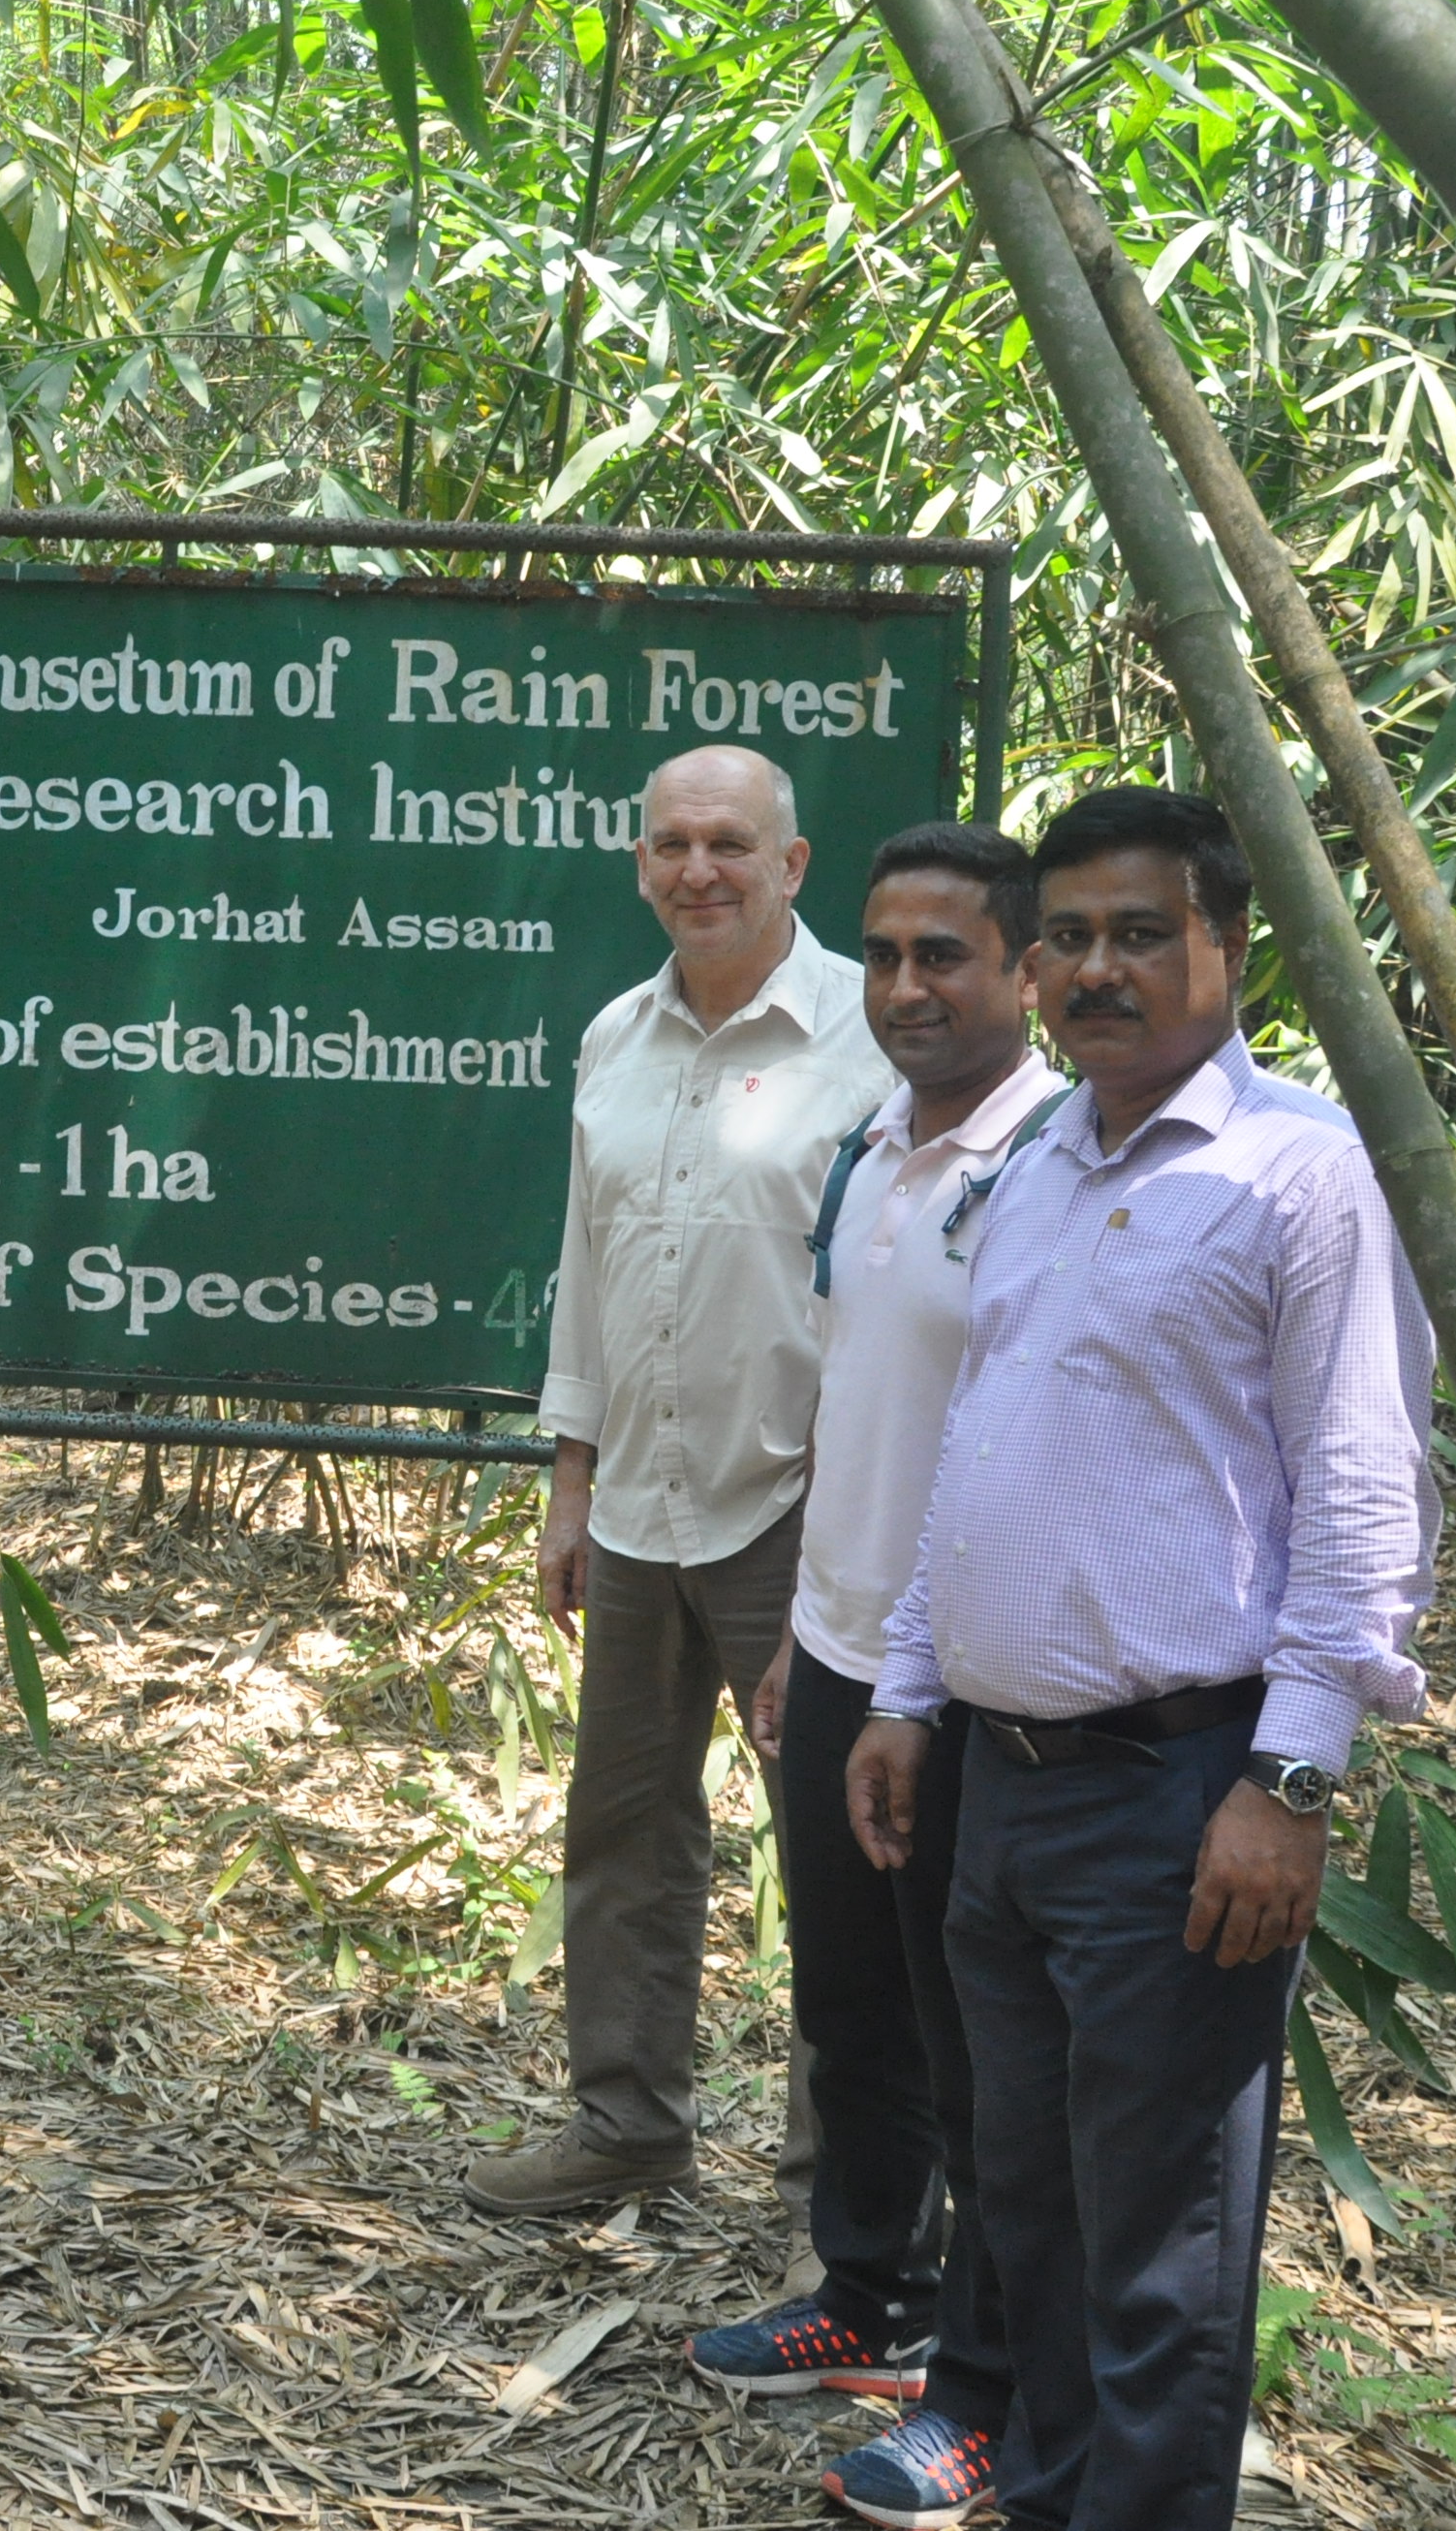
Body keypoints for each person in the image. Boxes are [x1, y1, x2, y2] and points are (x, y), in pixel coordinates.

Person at [851, 787, 1437, 2531]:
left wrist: (1292, 1779)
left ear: (1225, 949)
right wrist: (902, 1689)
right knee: (1027, 2213)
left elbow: (1360, 1493)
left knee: (1161, 2251)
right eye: (1073, 939)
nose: (1099, 969)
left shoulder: (1296, 1170)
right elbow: (980, 1441)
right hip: (1001, 1786)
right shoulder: (1043, 1161)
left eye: (1141, 934)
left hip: (1184, 1790)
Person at [684, 823, 1061, 2530]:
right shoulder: (870, 1153)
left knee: (980, 2040)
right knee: (850, 2006)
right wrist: (799, 1635)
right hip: (839, 1645)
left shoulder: (1057, 1163)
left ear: (1025, 970)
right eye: (888, 955)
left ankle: (989, 2392)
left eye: (947, 957)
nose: (908, 987)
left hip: (975, 1679)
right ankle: (871, 2289)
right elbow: (860, 1409)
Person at [467, 745, 891, 2220]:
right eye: (668, 844)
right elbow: (589, 1264)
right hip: (640, 1497)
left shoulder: (868, 1036)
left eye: (729, 843)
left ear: (793, 864)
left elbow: (888, 1305)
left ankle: (838, 2187)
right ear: (640, 862)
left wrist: (854, 1532)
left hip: (801, 1500)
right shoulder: (614, 1037)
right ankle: (627, 2123)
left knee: (839, 1855)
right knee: (626, 1826)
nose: (695, 869)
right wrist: (570, 1479)